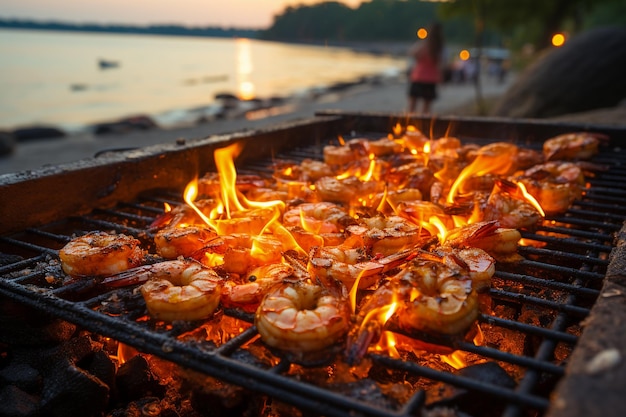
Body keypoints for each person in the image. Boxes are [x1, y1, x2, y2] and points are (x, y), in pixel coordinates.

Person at [407, 22, 445, 114]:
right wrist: (441, 77)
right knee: (426, 107)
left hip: (418, 76)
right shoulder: (439, 47)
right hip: (431, 78)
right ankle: (423, 125)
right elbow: (441, 64)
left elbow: (413, 53)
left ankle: (408, 123)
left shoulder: (424, 44)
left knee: (412, 104)